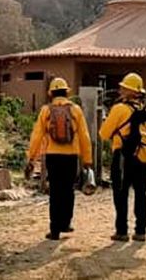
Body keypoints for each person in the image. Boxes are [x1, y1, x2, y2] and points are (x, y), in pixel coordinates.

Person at [26, 77, 93, 241]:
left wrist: (31, 158)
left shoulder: (46, 110)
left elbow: (36, 136)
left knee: (55, 191)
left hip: (52, 155)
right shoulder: (75, 110)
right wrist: (87, 159)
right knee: (68, 189)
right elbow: (84, 136)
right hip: (71, 156)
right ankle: (66, 223)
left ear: (51, 94)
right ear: (66, 92)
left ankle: (54, 229)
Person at [98, 72, 146, 242]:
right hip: (141, 155)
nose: (120, 89)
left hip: (122, 156)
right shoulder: (144, 109)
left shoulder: (119, 108)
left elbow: (104, 133)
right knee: (141, 193)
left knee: (121, 193)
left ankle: (122, 230)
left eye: (123, 87)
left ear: (129, 91)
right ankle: (141, 231)